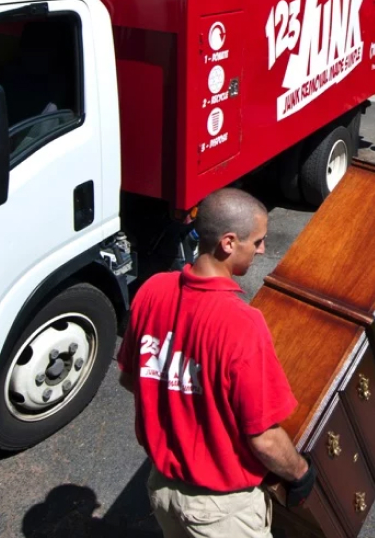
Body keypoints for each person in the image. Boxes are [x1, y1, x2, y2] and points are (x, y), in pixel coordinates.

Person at [118, 188, 316, 538]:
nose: (262, 250)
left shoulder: (151, 290)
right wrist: (299, 472)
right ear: (228, 243)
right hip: (221, 511)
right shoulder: (242, 323)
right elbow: (263, 438)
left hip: (162, 489)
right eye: (257, 241)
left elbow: (134, 380)